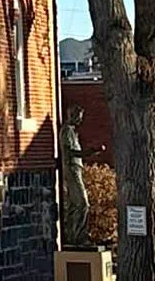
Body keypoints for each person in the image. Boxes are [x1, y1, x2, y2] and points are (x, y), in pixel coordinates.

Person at [61, 105, 93, 248]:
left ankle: (74, 235)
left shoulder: (73, 132)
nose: (80, 120)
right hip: (72, 169)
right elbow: (69, 153)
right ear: (72, 116)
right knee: (82, 204)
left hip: (76, 169)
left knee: (75, 205)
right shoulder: (67, 131)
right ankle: (77, 237)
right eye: (79, 117)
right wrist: (88, 153)